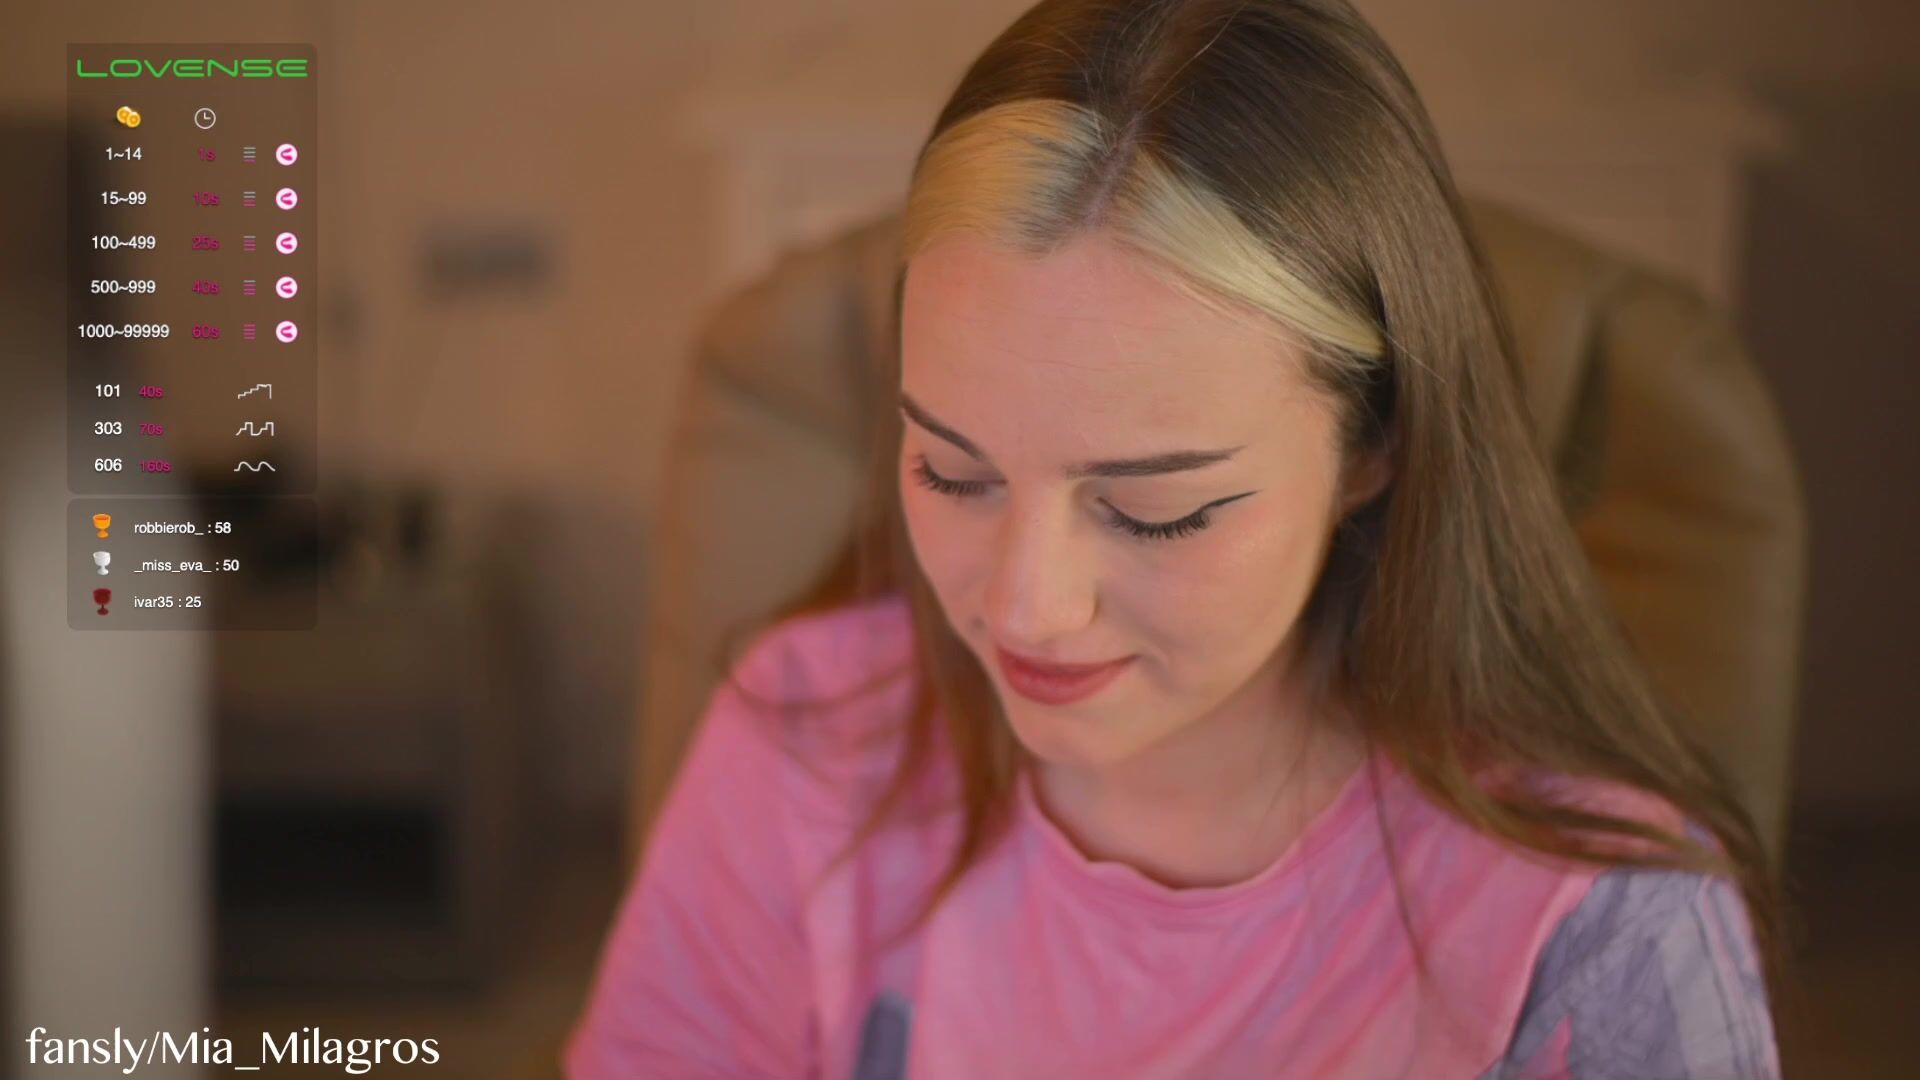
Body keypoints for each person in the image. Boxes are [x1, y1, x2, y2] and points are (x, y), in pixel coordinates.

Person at [567, 0, 1783, 1075]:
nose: (1028, 607)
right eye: (953, 470)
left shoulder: (1599, 929)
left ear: (1375, 447)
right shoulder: (806, 734)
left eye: (1156, 510)